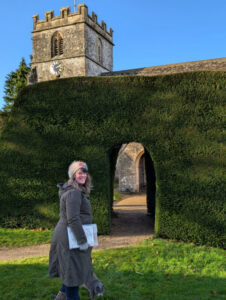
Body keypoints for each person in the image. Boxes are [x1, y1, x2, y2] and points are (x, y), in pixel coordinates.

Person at [49, 161, 93, 300]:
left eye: (84, 172)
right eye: (79, 172)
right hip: (69, 238)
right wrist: (83, 241)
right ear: (73, 175)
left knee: (71, 271)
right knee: (73, 276)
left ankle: (60, 297)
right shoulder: (73, 193)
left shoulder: (75, 190)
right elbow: (73, 219)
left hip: (69, 236)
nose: (83, 175)